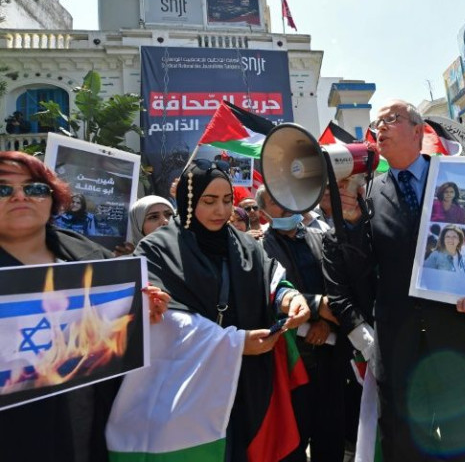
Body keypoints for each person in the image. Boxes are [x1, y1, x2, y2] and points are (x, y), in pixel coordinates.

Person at [323, 100, 465, 461]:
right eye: (375, 124)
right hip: (397, 346)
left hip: (455, 340)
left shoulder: (460, 179)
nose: (379, 128)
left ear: (418, 131)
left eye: (390, 120)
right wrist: (352, 224)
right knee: (401, 446)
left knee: (462, 442)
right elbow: (360, 271)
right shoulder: (368, 192)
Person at [134, 159, 311, 461]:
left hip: (247, 385)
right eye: (209, 201)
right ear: (188, 201)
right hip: (191, 391)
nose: (221, 211)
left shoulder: (246, 245)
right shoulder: (156, 250)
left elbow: (270, 280)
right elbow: (162, 319)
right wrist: (234, 344)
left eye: (227, 200)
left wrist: (289, 297)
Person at [0, 151, 168, 462]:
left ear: (53, 197)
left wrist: (145, 309)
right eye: (3, 188)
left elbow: (118, 331)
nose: (20, 197)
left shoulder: (86, 254)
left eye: (35, 188)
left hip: (87, 428)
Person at [256, 185, 347, 462]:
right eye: (274, 202)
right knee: (294, 438)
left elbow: (339, 285)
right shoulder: (260, 248)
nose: (283, 206)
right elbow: (269, 295)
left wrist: (328, 325)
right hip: (292, 360)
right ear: (263, 212)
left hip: (331, 355)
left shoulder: (322, 238)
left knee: (331, 436)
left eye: (286, 197)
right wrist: (315, 312)